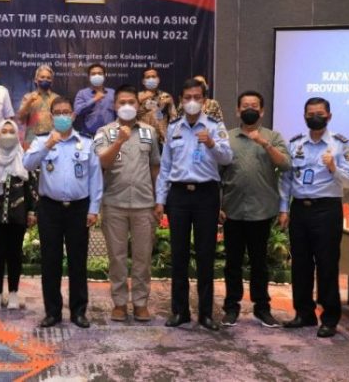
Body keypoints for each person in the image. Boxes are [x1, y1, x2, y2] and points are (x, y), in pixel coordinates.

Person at [154, 78, 233, 331]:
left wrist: (211, 143)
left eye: (197, 97)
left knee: (205, 255)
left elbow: (227, 157)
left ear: (204, 100)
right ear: (180, 100)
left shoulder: (215, 126)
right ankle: (180, 311)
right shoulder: (174, 128)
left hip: (205, 195)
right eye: (187, 97)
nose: (192, 102)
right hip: (178, 196)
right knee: (178, 255)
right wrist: (160, 200)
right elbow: (165, 168)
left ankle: (206, 313)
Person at [279, 97, 349, 338]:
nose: (315, 117)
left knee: (327, 264)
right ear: (304, 116)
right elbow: (286, 179)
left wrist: (334, 167)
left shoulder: (340, 145)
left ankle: (329, 318)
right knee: (300, 263)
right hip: (300, 209)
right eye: (310, 113)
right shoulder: (295, 144)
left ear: (329, 116)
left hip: (327, 210)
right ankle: (304, 314)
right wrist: (284, 208)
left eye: (319, 113)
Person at [23, 97, 103, 329]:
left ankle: (79, 312)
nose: (62, 116)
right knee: (51, 262)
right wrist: (48, 145)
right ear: (51, 115)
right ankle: (53, 312)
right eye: (57, 112)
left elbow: (96, 179)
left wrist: (94, 209)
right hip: (50, 209)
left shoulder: (87, 143)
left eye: (66, 112)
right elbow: (27, 165)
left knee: (78, 262)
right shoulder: (41, 140)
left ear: (73, 115)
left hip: (78, 208)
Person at [219, 91, 290, 328]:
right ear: (238, 111)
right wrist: (218, 205)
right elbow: (216, 174)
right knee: (233, 263)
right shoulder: (227, 138)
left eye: (254, 106)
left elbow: (285, 164)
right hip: (233, 210)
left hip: (262, 211)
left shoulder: (273, 136)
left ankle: (262, 308)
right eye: (245, 106)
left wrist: (265, 144)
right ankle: (231, 308)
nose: (250, 109)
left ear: (262, 111)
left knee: (260, 262)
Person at [95, 85, 160, 322]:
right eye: (122, 102)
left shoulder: (149, 132)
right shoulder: (105, 132)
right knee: (117, 257)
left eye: (131, 102)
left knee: (143, 257)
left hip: (144, 204)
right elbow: (103, 162)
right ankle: (120, 303)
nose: (127, 106)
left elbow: (155, 167)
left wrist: (159, 199)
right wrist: (119, 142)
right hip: (114, 202)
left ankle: (141, 303)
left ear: (138, 105)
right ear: (115, 106)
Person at [0, 120, 38, 310]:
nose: (7, 134)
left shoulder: (23, 157)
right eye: (3, 131)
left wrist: (32, 211)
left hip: (18, 212)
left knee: (15, 254)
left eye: (10, 131)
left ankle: (14, 293)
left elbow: (31, 185)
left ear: (17, 135)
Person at [17, 64, 60, 146]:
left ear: (52, 81)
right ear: (36, 80)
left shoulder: (57, 98)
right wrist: (29, 102)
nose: (45, 79)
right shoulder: (28, 97)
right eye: (42, 77)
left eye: (48, 78)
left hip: (52, 140)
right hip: (32, 141)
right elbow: (20, 119)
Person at [137, 67, 177, 148]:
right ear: (143, 81)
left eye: (153, 77)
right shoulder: (137, 97)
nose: (151, 79)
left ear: (158, 79)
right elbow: (132, 117)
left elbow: (174, 117)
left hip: (161, 139)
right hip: (143, 138)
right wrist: (141, 100)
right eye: (148, 77)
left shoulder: (166, 96)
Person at [73, 63, 116, 136]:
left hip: (109, 135)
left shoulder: (113, 93)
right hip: (88, 135)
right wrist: (94, 99)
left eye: (100, 73)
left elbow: (118, 114)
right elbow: (77, 111)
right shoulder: (82, 93)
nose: (97, 76)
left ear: (104, 76)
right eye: (93, 74)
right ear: (89, 77)